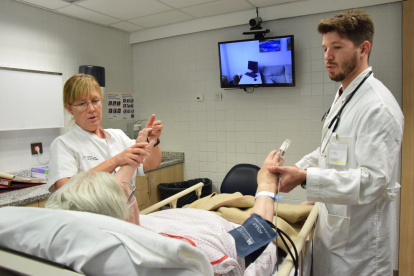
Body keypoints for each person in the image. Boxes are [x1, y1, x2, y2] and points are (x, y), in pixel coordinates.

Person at [268, 9, 404, 275]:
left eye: (337, 47)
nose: (328, 57)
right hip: (334, 231)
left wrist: (306, 177)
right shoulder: (345, 95)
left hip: (360, 247)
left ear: (364, 48)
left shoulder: (377, 106)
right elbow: (332, 151)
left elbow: (375, 180)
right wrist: (295, 169)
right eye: (325, 48)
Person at [45, 146, 284, 276]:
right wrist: (266, 186)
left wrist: (136, 154)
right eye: (130, 192)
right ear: (122, 213)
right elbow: (255, 235)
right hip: (218, 227)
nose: (131, 191)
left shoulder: (86, 244)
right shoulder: (185, 257)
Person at [47, 73, 163, 192]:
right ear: (70, 109)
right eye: (82, 104)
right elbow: (65, 189)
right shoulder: (63, 144)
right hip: (88, 211)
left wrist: (153, 140)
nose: (91, 109)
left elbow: (150, 163)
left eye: (95, 101)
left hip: (125, 209)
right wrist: (115, 161)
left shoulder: (118, 136)